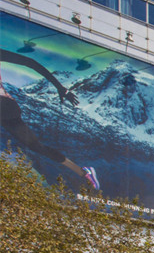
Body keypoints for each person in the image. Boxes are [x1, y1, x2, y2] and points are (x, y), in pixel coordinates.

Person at [0, 49, 99, 190]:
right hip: (6, 110)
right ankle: (83, 172)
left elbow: (30, 62)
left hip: (6, 107)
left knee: (35, 146)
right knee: (36, 147)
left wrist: (61, 88)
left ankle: (86, 172)